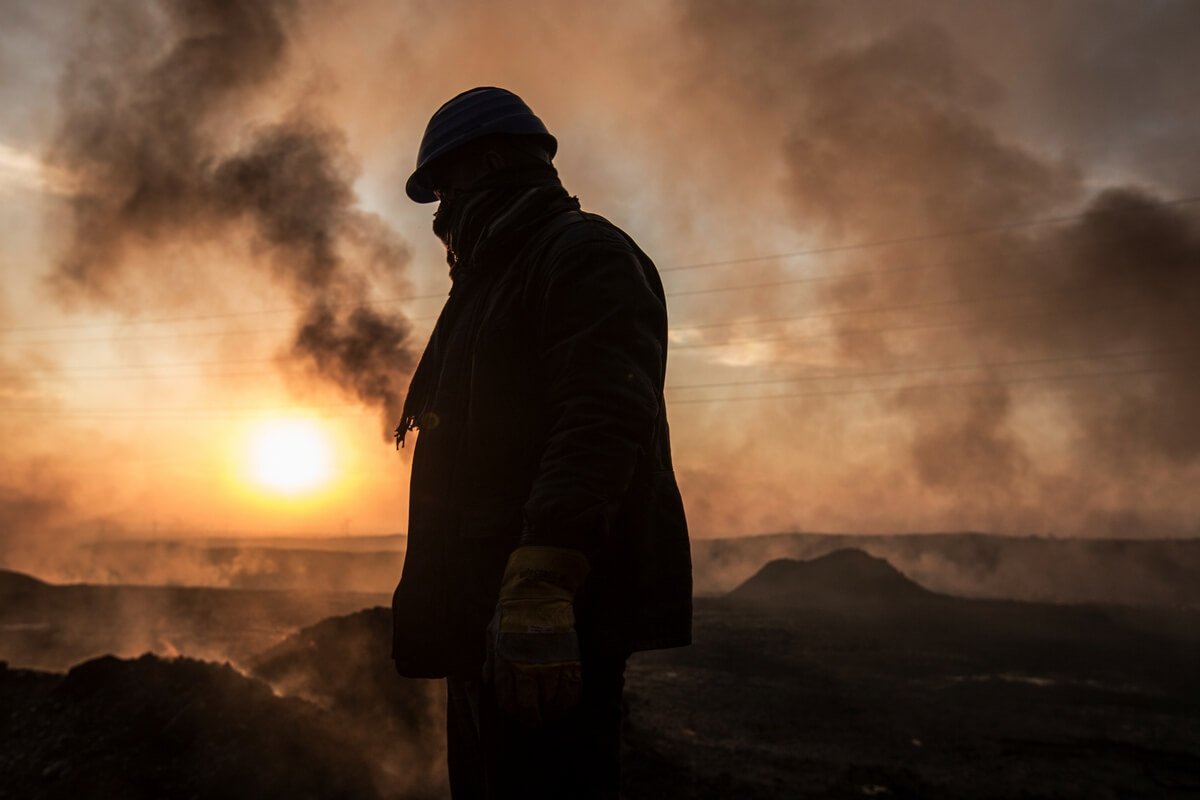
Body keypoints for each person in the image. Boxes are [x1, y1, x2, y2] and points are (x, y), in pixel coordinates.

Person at [391, 86, 691, 799]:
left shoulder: (583, 255)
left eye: (446, 186)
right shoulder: (491, 283)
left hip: (544, 619)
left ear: (493, 162)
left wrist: (544, 577)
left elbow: (605, 415)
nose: (442, 214)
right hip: (482, 617)